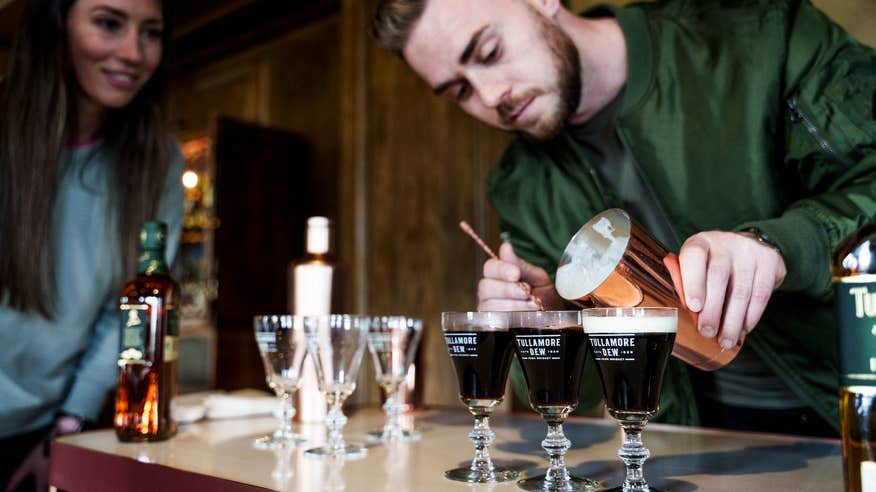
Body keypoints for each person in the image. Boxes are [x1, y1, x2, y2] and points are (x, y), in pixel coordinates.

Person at [373, 0, 876, 437]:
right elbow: (579, 399)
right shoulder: (521, 185)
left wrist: (780, 246)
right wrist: (549, 325)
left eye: (488, 53)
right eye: (459, 91)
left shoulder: (762, 36)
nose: (489, 96)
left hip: (855, 412)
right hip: (692, 445)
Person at [0, 0, 183, 489]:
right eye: (108, 23)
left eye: (151, 33)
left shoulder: (158, 159)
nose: (133, 52)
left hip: (46, 426)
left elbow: (129, 311)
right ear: (58, 29)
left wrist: (70, 422)